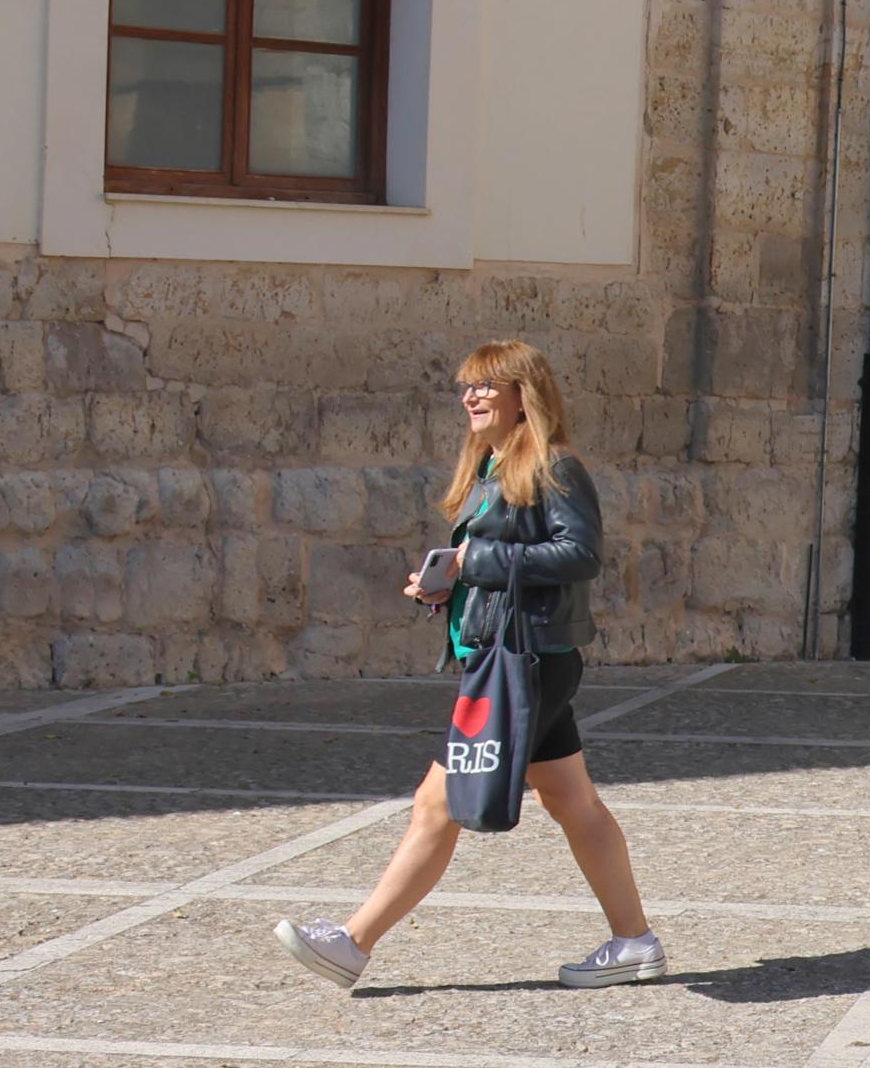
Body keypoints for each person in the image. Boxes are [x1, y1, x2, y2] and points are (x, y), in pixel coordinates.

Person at [271, 341, 660, 994]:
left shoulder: (554, 466)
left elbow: (580, 553)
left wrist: (472, 566)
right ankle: (634, 940)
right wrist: (445, 587)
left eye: (485, 386)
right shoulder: (491, 467)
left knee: (435, 802)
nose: (471, 397)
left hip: (524, 661)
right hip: (515, 656)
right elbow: (498, 563)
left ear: (521, 394)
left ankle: (354, 942)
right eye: (466, 387)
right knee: (574, 802)